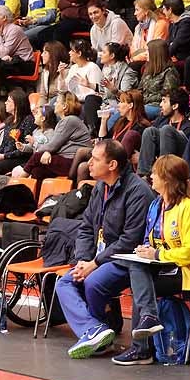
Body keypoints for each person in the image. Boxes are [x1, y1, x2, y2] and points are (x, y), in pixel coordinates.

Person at [56, 140, 155, 359]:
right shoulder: (100, 188)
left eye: (95, 159)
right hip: (98, 258)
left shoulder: (138, 191)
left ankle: (102, 328)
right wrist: (83, 260)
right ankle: (94, 329)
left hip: (126, 259)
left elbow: (130, 239)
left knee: (93, 282)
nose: (88, 163)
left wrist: (95, 263)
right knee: (64, 282)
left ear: (112, 165)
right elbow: (85, 227)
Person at [113, 154, 190, 366]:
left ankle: (142, 348)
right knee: (137, 269)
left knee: (141, 282)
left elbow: (189, 254)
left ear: (167, 178)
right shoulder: (156, 205)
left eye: (154, 173)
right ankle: (146, 331)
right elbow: (152, 240)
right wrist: (146, 249)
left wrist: (157, 255)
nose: (149, 177)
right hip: (165, 267)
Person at [137, 88, 190, 178]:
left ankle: (163, 174)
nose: (160, 105)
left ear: (175, 106)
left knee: (166, 129)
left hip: (177, 164)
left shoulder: (189, 127)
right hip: (158, 160)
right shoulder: (161, 120)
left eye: (164, 101)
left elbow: (186, 155)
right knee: (150, 131)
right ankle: (143, 175)